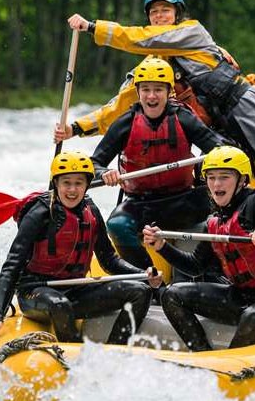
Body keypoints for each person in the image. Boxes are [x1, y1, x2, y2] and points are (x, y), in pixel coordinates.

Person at [65, 0, 255, 176]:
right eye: (154, 12)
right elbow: (121, 105)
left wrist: (92, 27)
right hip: (217, 128)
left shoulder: (192, 32)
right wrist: (76, 128)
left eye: (165, 10)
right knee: (237, 174)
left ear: (177, 13)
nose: (159, 16)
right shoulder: (153, 65)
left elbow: (138, 38)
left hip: (242, 104)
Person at [142, 146, 255, 352]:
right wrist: (162, 247)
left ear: (242, 180)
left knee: (254, 315)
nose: (217, 184)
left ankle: (230, 372)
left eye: (224, 177)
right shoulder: (215, 220)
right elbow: (195, 266)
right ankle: (203, 357)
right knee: (172, 294)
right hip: (243, 296)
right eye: (211, 177)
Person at [0, 151, 160, 344]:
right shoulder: (40, 213)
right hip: (35, 290)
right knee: (60, 305)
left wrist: (143, 274)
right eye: (66, 182)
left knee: (140, 291)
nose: (72, 190)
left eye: (79, 183)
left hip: (75, 290)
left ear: (86, 185)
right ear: (56, 183)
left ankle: (115, 351)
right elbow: (12, 265)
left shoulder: (91, 211)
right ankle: (75, 358)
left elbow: (109, 260)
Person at [90, 56, 225, 271]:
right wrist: (104, 172)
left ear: (169, 91)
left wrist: (214, 163)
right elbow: (93, 165)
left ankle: (208, 274)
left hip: (184, 200)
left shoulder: (184, 119)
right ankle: (147, 280)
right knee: (117, 225)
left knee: (222, 215)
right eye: (146, 89)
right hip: (141, 204)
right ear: (138, 91)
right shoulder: (125, 123)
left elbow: (220, 149)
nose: (151, 96)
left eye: (158, 90)